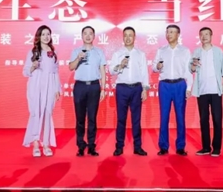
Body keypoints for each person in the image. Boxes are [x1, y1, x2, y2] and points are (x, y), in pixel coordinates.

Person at [152, 24, 193, 156]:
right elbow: (154, 67)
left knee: (180, 116)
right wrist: (157, 66)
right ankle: (163, 146)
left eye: (172, 32)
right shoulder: (161, 50)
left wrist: (189, 87)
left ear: (178, 35)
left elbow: (188, 70)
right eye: (168, 32)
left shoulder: (185, 51)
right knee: (164, 116)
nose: (169, 34)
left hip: (180, 84)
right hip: (164, 85)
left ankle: (180, 146)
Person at [22, 25, 62, 157]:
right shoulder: (33, 52)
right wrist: (33, 67)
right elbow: (25, 72)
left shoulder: (53, 52)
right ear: (38, 36)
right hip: (36, 85)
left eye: (48, 34)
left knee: (47, 113)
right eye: (43, 34)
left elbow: (55, 72)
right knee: (36, 113)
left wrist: (57, 89)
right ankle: (35, 144)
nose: (46, 37)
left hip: (50, 86)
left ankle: (46, 144)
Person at [109, 27, 150, 156]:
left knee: (136, 119)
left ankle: (138, 146)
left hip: (137, 88)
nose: (127, 38)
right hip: (122, 88)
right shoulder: (117, 54)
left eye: (130, 35)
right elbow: (111, 71)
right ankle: (119, 146)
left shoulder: (140, 54)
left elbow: (144, 72)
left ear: (134, 37)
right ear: (123, 37)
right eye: (125, 35)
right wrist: (120, 65)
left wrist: (145, 89)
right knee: (121, 119)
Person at [68, 26, 107, 157]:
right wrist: (78, 58)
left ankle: (91, 145)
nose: (88, 36)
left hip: (94, 86)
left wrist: (103, 88)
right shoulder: (76, 51)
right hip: (80, 86)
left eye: (90, 33)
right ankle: (80, 145)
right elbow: (71, 67)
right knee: (80, 118)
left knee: (92, 118)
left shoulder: (99, 52)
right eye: (85, 33)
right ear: (82, 36)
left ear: (94, 36)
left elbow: (102, 71)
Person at [190, 27, 223, 156]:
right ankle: (206, 147)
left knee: (217, 119)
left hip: (216, 90)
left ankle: (216, 147)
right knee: (203, 120)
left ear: (211, 36)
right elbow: (191, 69)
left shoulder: (218, 51)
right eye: (202, 34)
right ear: (199, 37)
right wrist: (194, 65)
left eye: (207, 34)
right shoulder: (196, 52)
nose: (204, 36)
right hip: (202, 90)